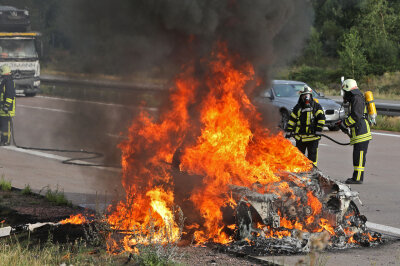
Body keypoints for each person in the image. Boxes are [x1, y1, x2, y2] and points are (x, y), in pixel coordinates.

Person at [338, 79, 372, 184]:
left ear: (348, 89)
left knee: (360, 156)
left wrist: (345, 123)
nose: (344, 95)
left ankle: (358, 178)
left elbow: (356, 116)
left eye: (345, 91)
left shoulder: (357, 98)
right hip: (358, 132)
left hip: (362, 132)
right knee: (357, 156)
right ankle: (356, 177)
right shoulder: (355, 98)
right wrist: (344, 123)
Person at [285, 85, 326, 167]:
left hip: (313, 137)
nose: (306, 98)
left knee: (312, 158)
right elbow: (292, 120)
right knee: (300, 157)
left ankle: (313, 172)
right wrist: (289, 131)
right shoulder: (298, 107)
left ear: (311, 96)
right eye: (304, 96)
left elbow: (321, 118)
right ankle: (300, 172)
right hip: (300, 138)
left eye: (308, 95)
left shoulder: (316, 107)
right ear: (301, 97)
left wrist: (318, 130)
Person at [0, 65, 15, 146]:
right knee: (2, 126)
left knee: (6, 127)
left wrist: (6, 106)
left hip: (7, 110)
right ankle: (2, 140)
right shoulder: (5, 81)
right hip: (2, 110)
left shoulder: (8, 82)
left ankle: (6, 141)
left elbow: (10, 96)